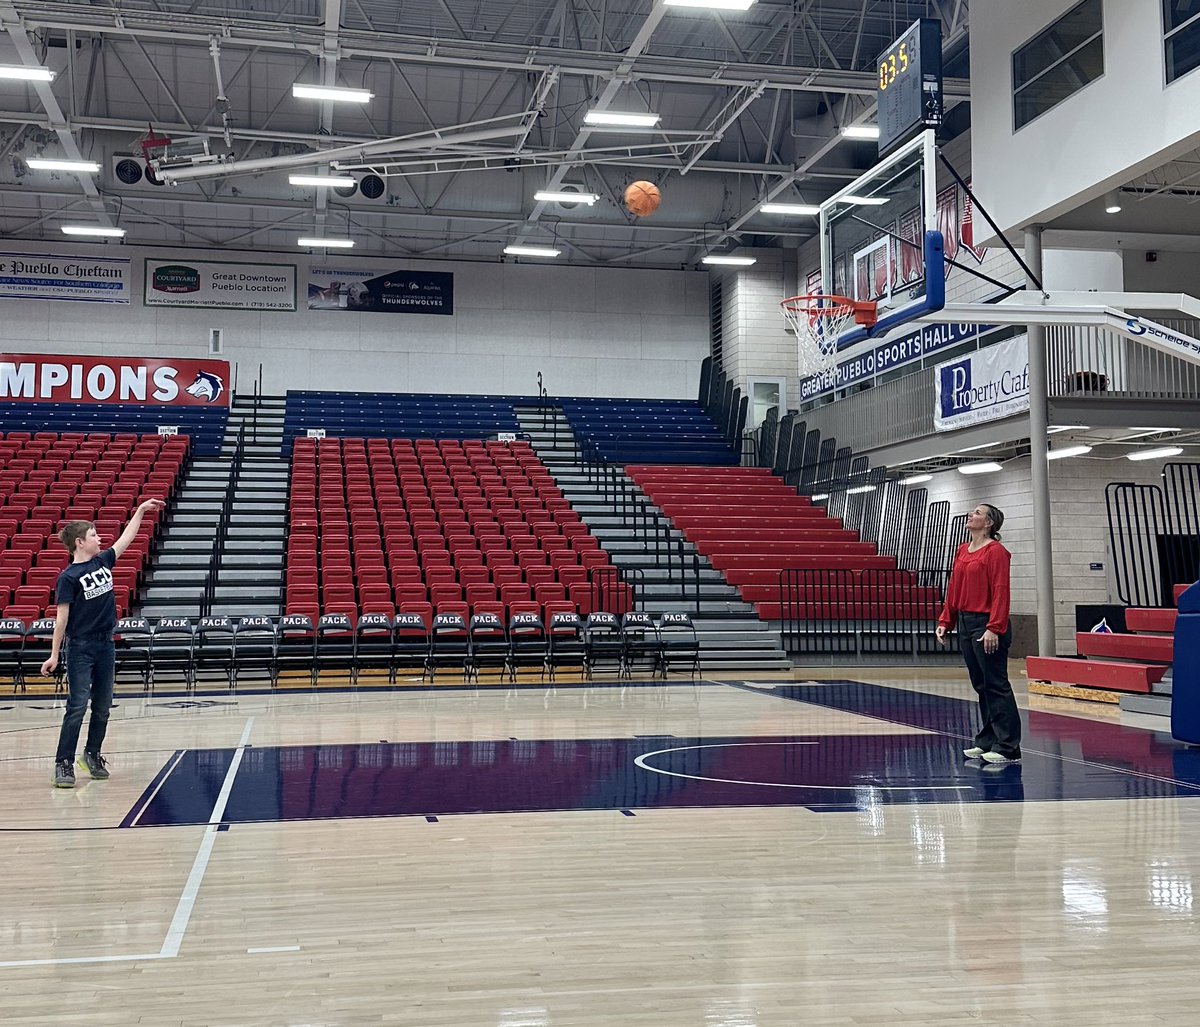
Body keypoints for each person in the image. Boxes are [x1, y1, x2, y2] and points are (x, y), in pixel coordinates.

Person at [44, 499, 165, 788]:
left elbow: (127, 537)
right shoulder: (68, 577)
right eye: (94, 534)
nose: (100, 538)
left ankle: (93, 754)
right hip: (80, 648)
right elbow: (61, 620)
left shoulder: (103, 561)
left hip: (105, 645)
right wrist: (53, 655)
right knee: (76, 706)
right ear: (79, 542)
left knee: (102, 706)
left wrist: (139, 511)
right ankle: (64, 763)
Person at [935, 502, 1020, 764]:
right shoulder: (963, 549)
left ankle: (1008, 746)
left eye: (978, 513)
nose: (971, 515)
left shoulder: (996, 552)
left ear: (990, 522)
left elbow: (1000, 591)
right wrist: (946, 619)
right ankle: (987, 739)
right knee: (981, 684)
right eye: (972, 512)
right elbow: (954, 588)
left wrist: (995, 627)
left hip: (986, 623)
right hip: (966, 622)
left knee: (996, 684)